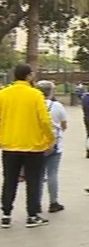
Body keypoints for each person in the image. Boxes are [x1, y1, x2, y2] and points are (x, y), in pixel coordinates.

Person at [0, 65, 55, 228]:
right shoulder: (36, 95)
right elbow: (44, 120)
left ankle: (6, 214)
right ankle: (32, 215)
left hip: (10, 144)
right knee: (33, 181)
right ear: (29, 76)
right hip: (33, 146)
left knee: (9, 180)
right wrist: (50, 139)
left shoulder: (3, 94)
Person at [35, 81, 68, 214]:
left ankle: (35, 202)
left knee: (37, 175)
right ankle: (53, 202)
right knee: (52, 173)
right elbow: (64, 124)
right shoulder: (57, 106)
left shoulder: (34, 105)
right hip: (54, 143)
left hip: (37, 144)